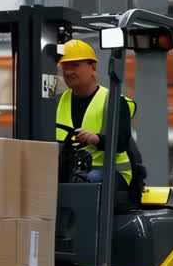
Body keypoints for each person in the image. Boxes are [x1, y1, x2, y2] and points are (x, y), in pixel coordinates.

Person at [56, 40, 135, 188]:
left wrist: (97, 139)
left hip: (112, 172)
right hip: (73, 170)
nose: (67, 72)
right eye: (64, 67)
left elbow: (122, 142)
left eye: (75, 65)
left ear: (92, 67)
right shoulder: (58, 101)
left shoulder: (114, 101)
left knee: (84, 181)